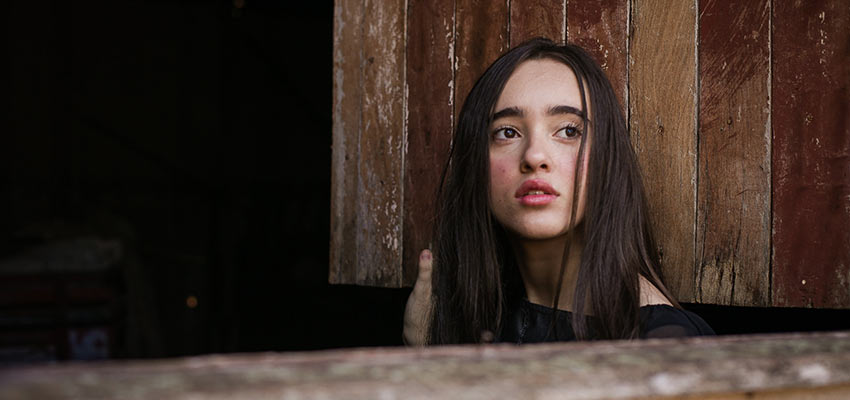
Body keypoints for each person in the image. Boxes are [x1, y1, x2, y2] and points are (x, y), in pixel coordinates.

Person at [403, 38, 714, 345]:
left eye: (568, 131)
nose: (534, 156)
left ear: (608, 158)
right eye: (507, 132)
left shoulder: (666, 342)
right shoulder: (480, 316)